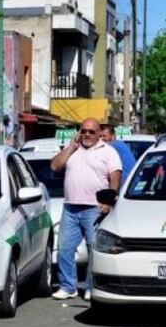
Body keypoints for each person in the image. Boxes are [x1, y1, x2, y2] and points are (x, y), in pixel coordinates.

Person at [49, 118, 122, 301]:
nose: (87, 135)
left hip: (94, 209)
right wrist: (71, 148)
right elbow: (55, 166)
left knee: (93, 250)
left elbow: (115, 177)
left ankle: (91, 286)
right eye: (84, 131)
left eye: (91, 131)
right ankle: (68, 287)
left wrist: (109, 201)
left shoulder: (108, 152)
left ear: (98, 133)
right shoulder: (73, 149)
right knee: (64, 248)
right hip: (71, 207)